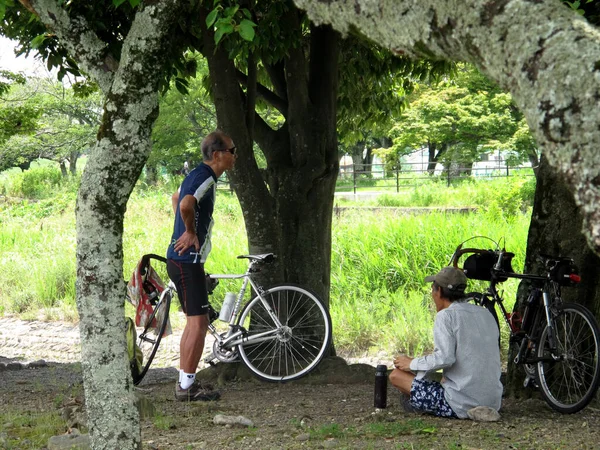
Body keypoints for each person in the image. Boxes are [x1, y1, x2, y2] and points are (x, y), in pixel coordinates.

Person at [166, 130, 237, 401]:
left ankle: (185, 383)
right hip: (187, 261)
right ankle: (186, 388)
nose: (235, 156)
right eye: (233, 151)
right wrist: (190, 232)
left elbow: (176, 197)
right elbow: (185, 203)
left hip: (182, 260)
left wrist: (182, 231)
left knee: (194, 322)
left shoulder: (196, 175)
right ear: (217, 155)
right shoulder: (205, 177)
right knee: (198, 324)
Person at [389, 266, 503, 418]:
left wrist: (412, 363)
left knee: (396, 375)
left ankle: (421, 404)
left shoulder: (446, 316)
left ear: (439, 292)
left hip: (459, 404)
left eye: (432, 290)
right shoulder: (485, 313)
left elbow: (445, 358)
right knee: (443, 379)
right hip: (493, 402)